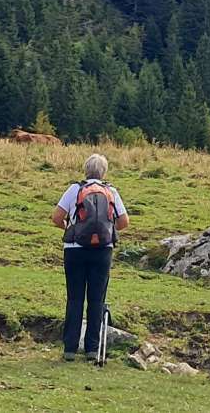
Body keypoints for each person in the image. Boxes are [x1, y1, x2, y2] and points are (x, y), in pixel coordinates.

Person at [52, 153, 128, 360]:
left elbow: (56, 217)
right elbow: (124, 222)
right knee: (96, 299)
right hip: (103, 250)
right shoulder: (111, 191)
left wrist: (71, 228)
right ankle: (92, 349)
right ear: (104, 172)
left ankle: (70, 349)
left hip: (74, 249)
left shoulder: (74, 189)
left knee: (74, 298)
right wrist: (107, 229)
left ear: (85, 170)